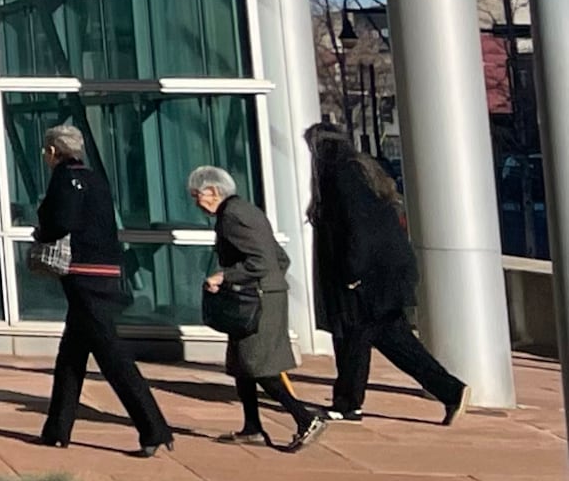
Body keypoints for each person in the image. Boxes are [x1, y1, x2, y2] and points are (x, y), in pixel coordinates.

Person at [306, 119, 466, 424]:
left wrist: (354, 273)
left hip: (365, 279)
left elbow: (358, 229)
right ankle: (450, 391)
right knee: (392, 341)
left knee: (355, 338)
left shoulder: (342, 176)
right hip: (382, 276)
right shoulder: (362, 170)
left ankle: (348, 403)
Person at [31, 123, 174, 455]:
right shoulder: (96, 178)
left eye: (46, 151)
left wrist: (42, 229)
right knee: (72, 354)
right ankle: (56, 429)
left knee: (112, 356)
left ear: (53, 152)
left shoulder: (65, 179)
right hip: (106, 270)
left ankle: (154, 428)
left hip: (83, 274)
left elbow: (61, 222)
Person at [191, 166, 323, 449]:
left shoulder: (232, 216)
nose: (195, 202)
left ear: (213, 191)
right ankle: (252, 426)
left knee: (259, 366)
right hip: (262, 295)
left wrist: (224, 276)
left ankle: (304, 418)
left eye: (196, 195)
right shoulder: (246, 210)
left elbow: (261, 262)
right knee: (242, 365)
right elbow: (280, 257)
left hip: (260, 299)